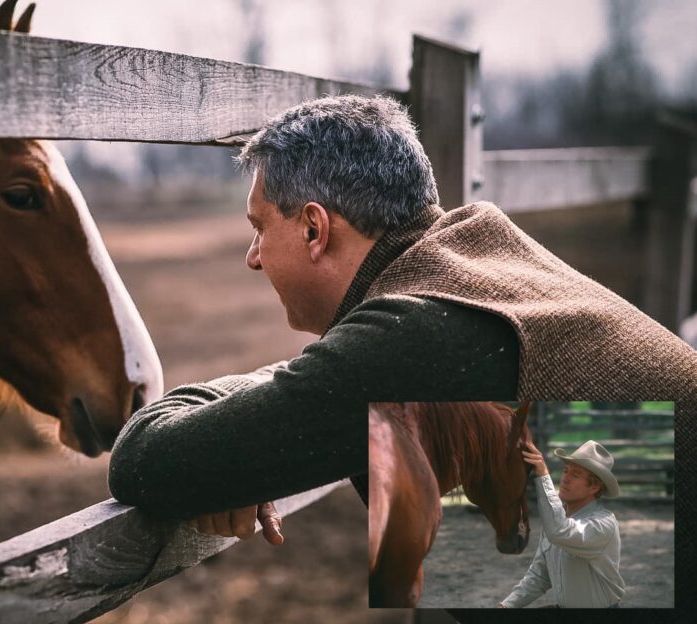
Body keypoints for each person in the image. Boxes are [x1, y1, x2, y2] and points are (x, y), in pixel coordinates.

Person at [107, 94, 697, 541]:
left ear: (315, 229)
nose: (253, 257)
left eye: (260, 227)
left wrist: (232, 436)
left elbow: (144, 460)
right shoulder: (476, 262)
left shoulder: (416, 335)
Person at [499, 440, 625, 608]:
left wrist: (543, 474)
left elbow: (559, 531)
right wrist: (506, 605)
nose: (565, 479)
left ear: (594, 487)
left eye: (575, 475)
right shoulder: (555, 519)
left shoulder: (603, 524)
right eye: (566, 471)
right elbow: (539, 576)